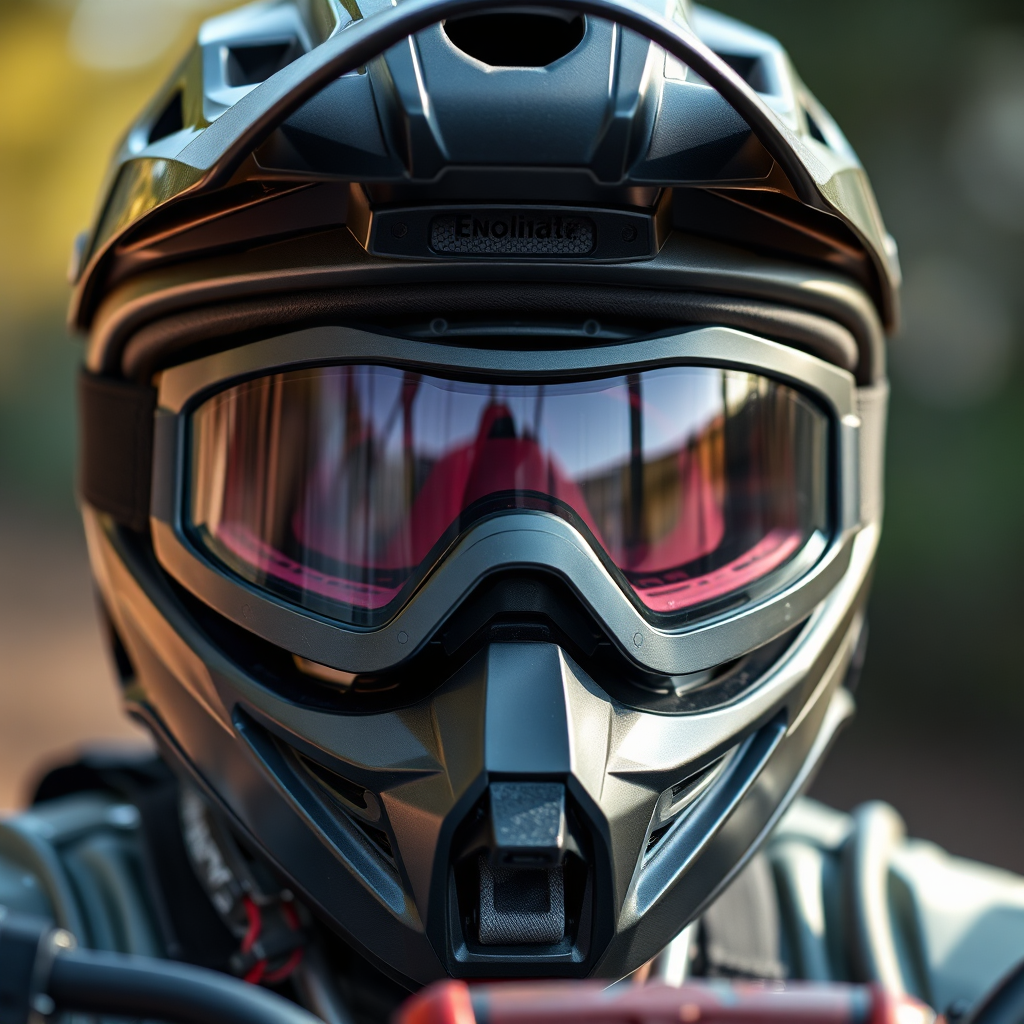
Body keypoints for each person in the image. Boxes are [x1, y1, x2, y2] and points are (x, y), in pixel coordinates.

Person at [3, 0, 1023, 1021]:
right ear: (143, 491)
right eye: (381, 502)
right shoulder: (37, 937)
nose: (524, 651)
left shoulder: (947, 951)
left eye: (645, 523)